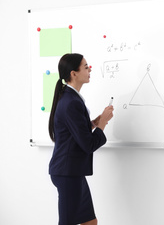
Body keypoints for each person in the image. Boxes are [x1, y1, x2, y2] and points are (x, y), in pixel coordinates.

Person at [48, 53, 114, 225]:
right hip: (67, 173)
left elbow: (72, 131)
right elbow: (88, 145)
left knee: (90, 222)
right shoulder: (71, 101)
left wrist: (92, 123)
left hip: (72, 172)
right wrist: (103, 124)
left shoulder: (70, 98)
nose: (89, 69)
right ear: (73, 73)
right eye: (86, 67)